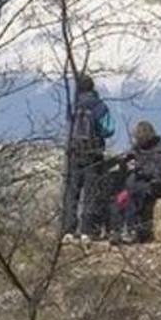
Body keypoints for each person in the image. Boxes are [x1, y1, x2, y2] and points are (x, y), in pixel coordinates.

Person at [110, 121, 161, 243]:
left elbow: (159, 172)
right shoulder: (137, 149)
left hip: (156, 185)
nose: (139, 141)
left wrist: (139, 167)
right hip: (137, 183)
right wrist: (123, 162)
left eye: (140, 139)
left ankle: (132, 230)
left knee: (135, 194)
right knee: (119, 198)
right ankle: (116, 230)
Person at [63, 74, 115, 237]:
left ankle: (68, 229)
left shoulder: (73, 106)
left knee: (72, 192)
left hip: (74, 153)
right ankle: (88, 229)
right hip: (93, 155)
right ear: (93, 88)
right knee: (91, 192)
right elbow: (108, 129)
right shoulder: (99, 106)